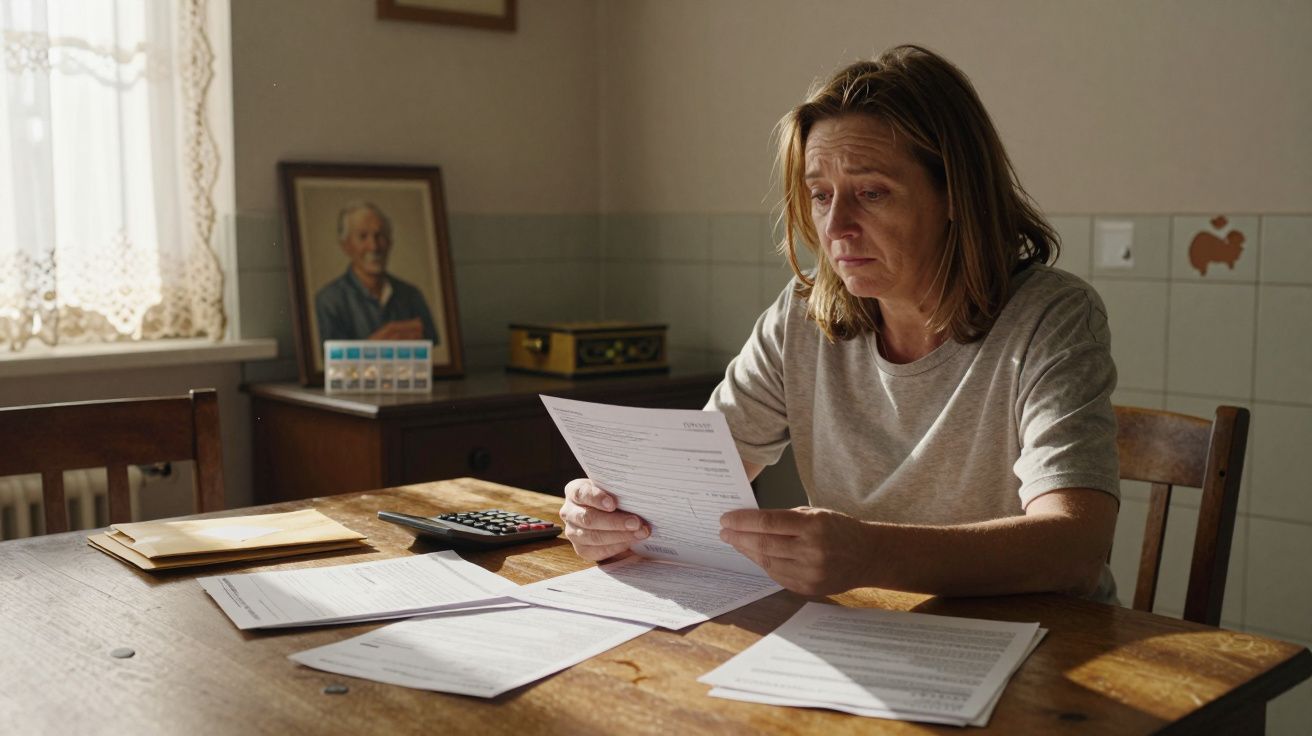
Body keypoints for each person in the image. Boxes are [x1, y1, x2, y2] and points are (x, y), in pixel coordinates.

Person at [557, 45, 1122, 604]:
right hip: (867, 631)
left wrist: (872, 554)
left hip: (1041, 641)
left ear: (957, 194)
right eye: (821, 195)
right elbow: (685, 494)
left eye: (872, 193)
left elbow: (1076, 545)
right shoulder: (801, 318)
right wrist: (610, 517)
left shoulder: (1052, 315)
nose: (835, 227)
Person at [315, 201, 439, 344]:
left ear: (390, 242)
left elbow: (436, 354)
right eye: (362, 236)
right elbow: (333, 362)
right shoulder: (330, 301)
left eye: (379, 236)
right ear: (346, 245)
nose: (374, 246)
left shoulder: (411, 295)